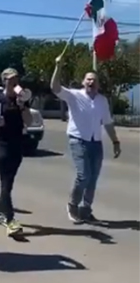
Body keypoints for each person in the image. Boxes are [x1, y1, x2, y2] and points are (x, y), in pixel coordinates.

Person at [50, 55, 121, 223]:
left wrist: (116, 141)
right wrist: (58, 67)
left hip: (96, 143)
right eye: (88, 79)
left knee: (93, 178)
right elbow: (55, 87)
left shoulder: (102, 101)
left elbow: (108, 123)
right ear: (83, 82)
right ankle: (72, 205)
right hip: (78, 140)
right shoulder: (74, 95)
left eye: (94, 80)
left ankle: (86, 210)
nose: (91, 82)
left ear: (98, 84)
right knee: (84, 175)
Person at [0, 68, 33, 237]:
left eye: (17, 79)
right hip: (2, 145)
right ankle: (10, 220)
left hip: (17, 145)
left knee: (8, 182)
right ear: (4, 81)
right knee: (6, 182)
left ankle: (0, 213)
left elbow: (29, 122)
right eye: (11, 79)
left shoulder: (21, 99)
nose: (14, 82)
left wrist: (23, 106)